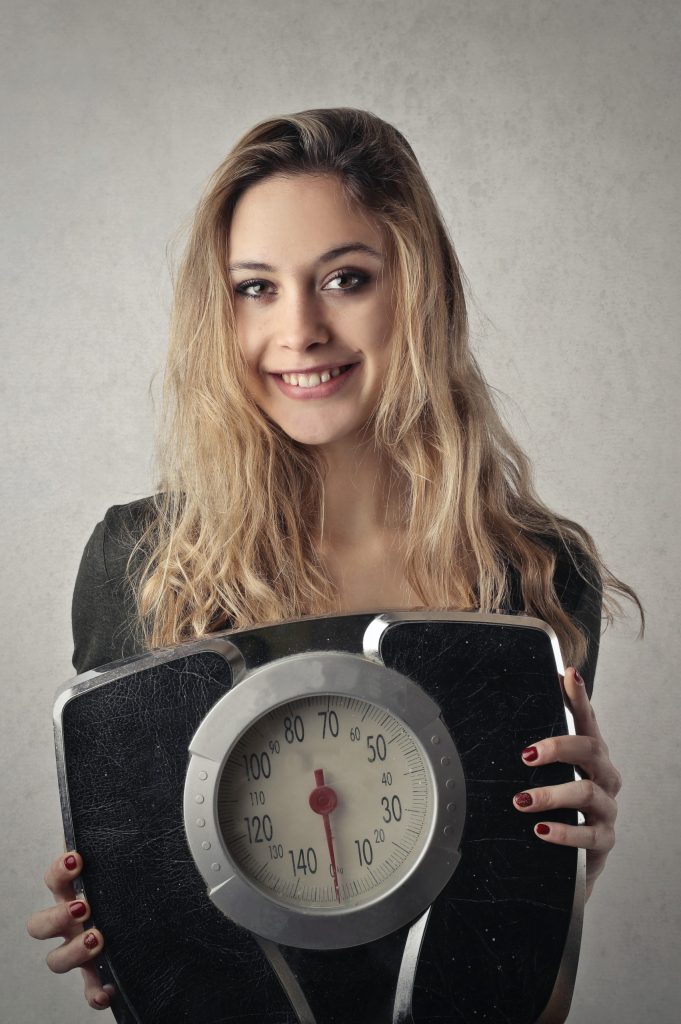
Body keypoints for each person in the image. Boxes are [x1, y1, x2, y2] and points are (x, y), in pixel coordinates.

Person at [26, 107, 641, 1012]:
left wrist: (563, 887)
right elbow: (164, 959)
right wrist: (124, 939)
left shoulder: (537, 574)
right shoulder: (142, 560)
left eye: (344, 278)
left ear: (417, 290)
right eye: (255, 288)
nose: (300, 328)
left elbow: (522, 996)